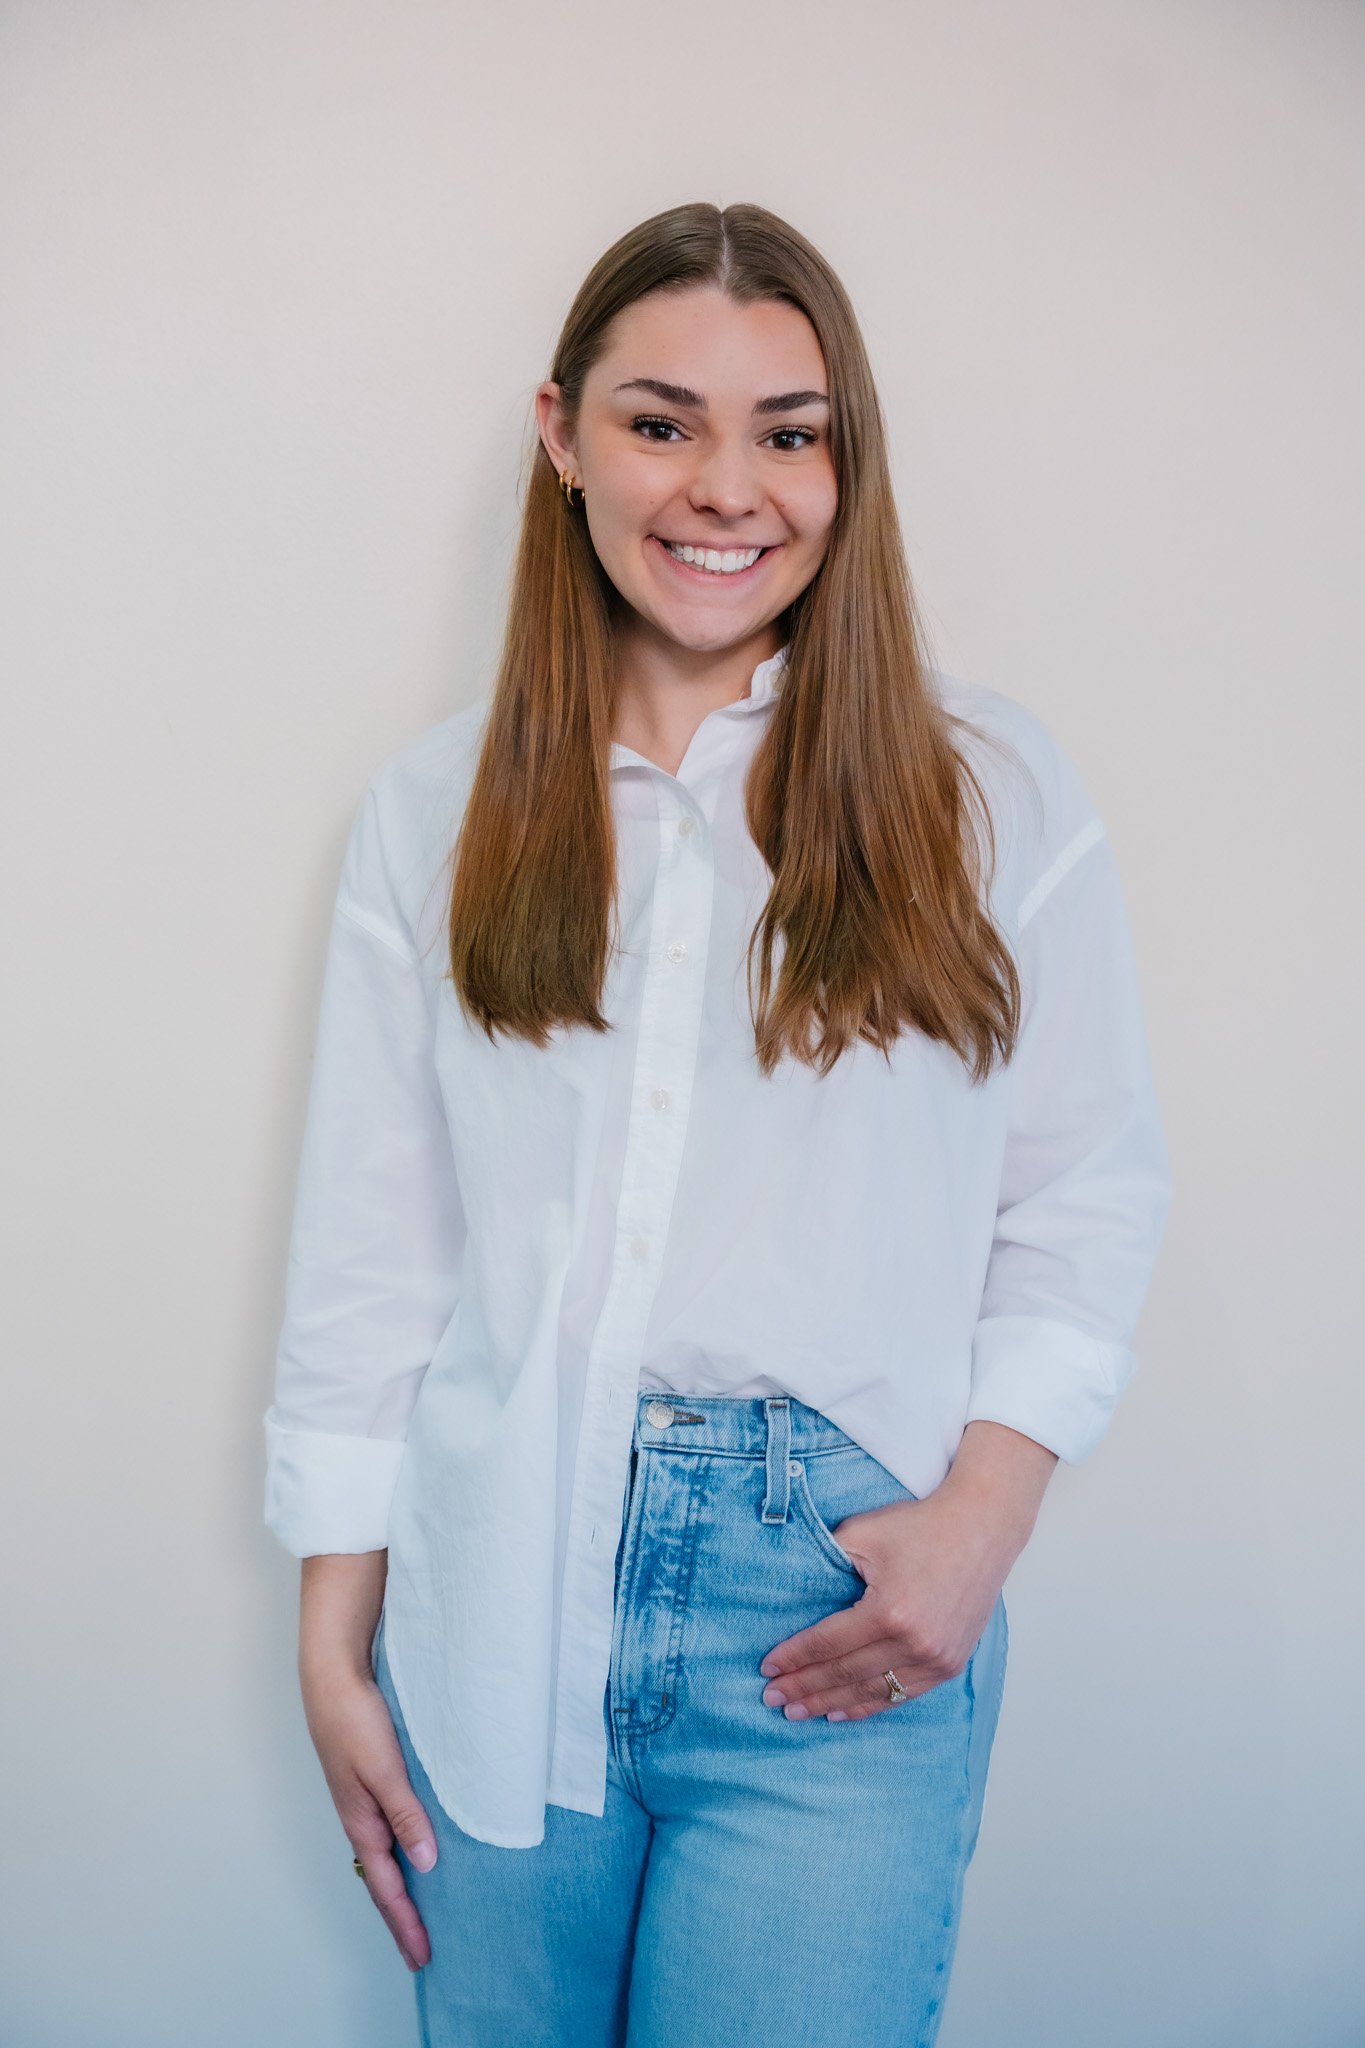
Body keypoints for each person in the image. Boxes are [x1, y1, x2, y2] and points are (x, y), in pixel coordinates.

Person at [262, 200, 1173, 2048]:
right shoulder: (432, 812)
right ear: (560, 436)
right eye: (660, 422)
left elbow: (1083, 1194)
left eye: (789, 432)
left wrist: (976, 1527)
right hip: (495, 1593)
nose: (725, 488)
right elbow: (377, 1252)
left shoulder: (988, 793)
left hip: (829, 1605)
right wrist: (332, 1639)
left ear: (847, 461)